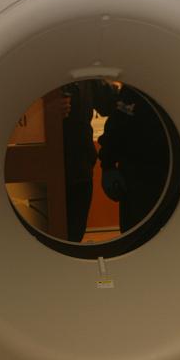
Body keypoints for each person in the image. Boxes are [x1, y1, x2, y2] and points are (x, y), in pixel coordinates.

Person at [97, 84, 172, 233]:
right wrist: (108, 165)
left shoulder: (136, 88)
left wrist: (108, 165)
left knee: (139, 233)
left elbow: (116, 127)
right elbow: (116, 126)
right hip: (141, 174)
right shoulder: (136, 89)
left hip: (148, 173)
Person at [60, 79, 118, 242]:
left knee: (75, 233)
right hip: (45, 168)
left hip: (81, 167)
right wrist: (43, 110)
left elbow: (111, 103)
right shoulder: (37, 74)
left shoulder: (86, 78)